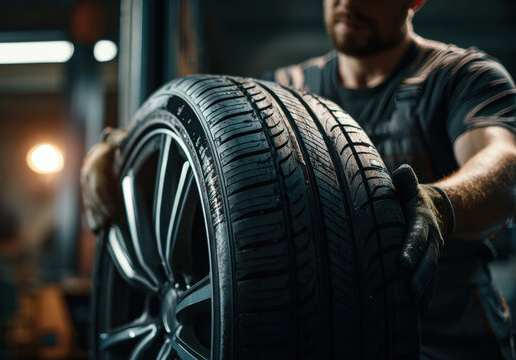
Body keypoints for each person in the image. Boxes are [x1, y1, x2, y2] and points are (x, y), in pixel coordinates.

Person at [81, 0, 516, 358]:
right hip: (333, 345)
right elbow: (206, 146)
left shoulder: (462, 76)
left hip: (451, 343)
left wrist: (441, 204)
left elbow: (503, 162)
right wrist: (118, 149)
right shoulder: (285, 94)